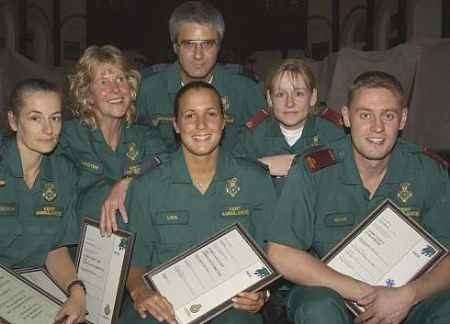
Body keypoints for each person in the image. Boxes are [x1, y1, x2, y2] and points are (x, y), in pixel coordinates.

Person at [266, 71, 450, 324]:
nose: (377, 127)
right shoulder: (314, 170)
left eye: (388, 115)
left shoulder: (427, 171)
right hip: (335, 295)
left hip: (408, 297)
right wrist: (365, 293)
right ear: (346, 117)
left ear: (403, 119)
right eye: (365, 115)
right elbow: (281, 252)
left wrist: (408, 295)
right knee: (316, 307)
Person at [119, 81, 276, 324]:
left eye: (211, 114)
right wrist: (141, 292)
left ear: (224, 122)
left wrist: (262, 292)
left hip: (232, 305)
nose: (201, 125)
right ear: (176, 125)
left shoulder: (254, 179)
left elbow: (272, 251)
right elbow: (135, 263)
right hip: (165, 302)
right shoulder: (147, 186)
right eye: (190, 115)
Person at [0, 78, 86, 323]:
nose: (49, 129)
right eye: (35, 118)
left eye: (55, 118)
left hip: (32, 288)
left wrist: (77, 292)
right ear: (13, 121)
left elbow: (55, 249)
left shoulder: (63, 173)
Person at [136, 1, 265, 151]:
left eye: (207, 44)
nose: (198, 55)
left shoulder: (245, 91)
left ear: (219, 46)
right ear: (175, 47)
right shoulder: (147, 91)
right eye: (189, 44)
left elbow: (263, 144)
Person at [58, 45, 167, 221]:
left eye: (120, 79)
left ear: (130, 88)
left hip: (137, 238)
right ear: (88, 94)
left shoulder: (145, 135)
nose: (115, 89)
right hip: (83, 240)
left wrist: (128, 182)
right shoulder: (68, 137)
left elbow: (167, 165)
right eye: (103, 82)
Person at [233, 58, 345, 194]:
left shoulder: (332, 134)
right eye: (280, 94)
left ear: (313, 97)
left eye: (298, 94)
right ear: (269, 98)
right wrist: (262, 166)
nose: (289, 103)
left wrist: (298, 164)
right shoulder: (253, 136)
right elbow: (233, 177)